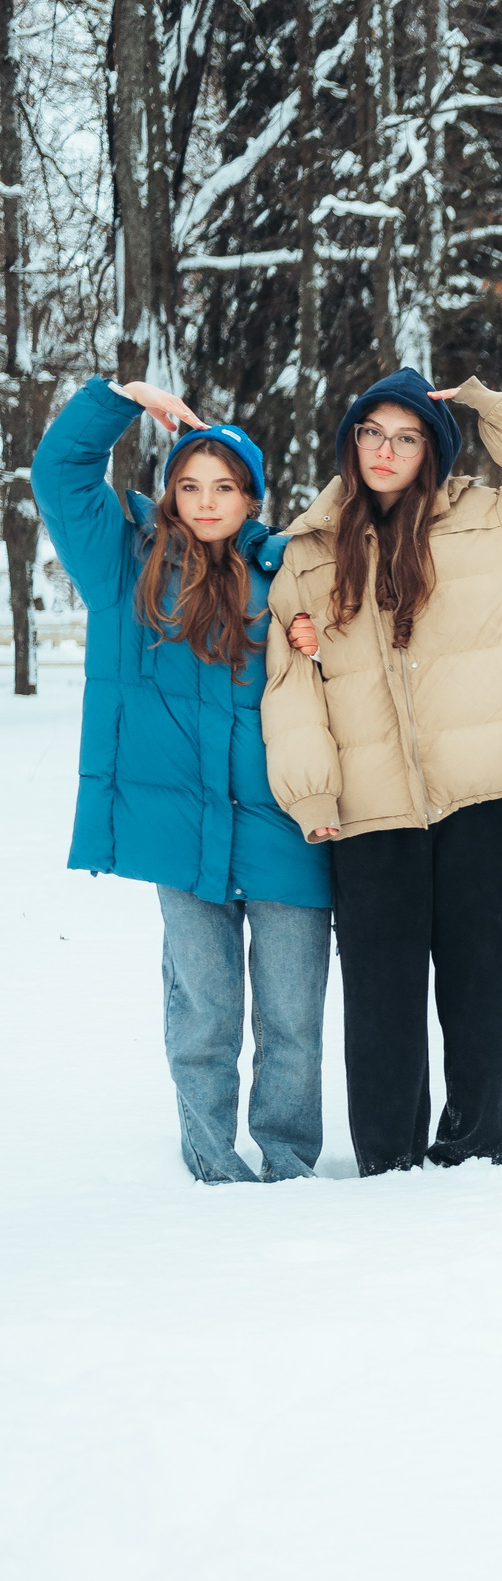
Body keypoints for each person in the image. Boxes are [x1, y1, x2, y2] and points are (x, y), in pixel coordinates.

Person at [264, 369, 502, 1175]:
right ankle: (389, 1163)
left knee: (485, 990)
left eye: (406, 435)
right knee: (381, 1004)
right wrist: (312, 789)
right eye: (371, 433)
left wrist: (491, 407)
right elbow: (290, 688)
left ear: (434, 448)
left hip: (478, 797)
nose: (385, 450)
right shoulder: (311, 553)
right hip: (368, 809)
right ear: (352, 443)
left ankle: (485, 1152)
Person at [32, 377, 332, 1183]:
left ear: (251, 498)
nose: (205, 502)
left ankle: (290, 1164)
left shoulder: (290, 572)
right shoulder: (124, 566)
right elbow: (58, 473)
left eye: (224, 488)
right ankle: (210, 1161)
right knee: (203, 1012)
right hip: (180, 833)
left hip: (282, 828)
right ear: (169, 493)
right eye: (190, 486)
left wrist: (313, 637)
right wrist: (122, 400)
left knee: (294, 1017)